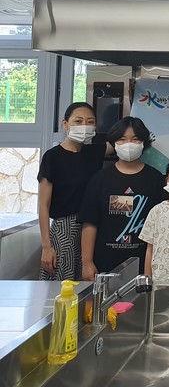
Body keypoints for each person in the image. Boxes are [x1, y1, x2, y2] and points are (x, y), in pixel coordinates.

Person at [79, 116, 164, 279]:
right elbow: (90, 223)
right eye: (122, 139)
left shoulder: (156, 179)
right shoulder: (100, 179)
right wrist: (87, 263)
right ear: (114, 143)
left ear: (144, 143)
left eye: (135, 139)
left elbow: (162, 226)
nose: (128, 144)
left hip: (145, 264)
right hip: (105, 263)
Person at [38, 101, 107, 281]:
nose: (84, 126)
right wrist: (46, 246)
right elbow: (43, 205)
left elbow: (123, 141)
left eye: (90, 122)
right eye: (78, 121)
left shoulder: (94, 153)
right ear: (65, 124)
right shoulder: (52, 157)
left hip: (93, 227)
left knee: (90, 284)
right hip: (65, 230)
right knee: (65, 285)